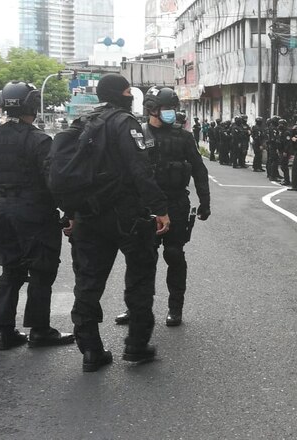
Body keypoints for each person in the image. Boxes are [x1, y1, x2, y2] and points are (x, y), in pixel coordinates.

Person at [69, 73, 169, 372]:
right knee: (139, 279)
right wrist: (161, 208)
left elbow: (67, 172)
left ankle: (90, 351)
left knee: (87, 283)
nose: (130, 95)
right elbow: (139, 169)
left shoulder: (83, 122)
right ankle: (136, 346)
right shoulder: (124, 122)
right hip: (126, 215)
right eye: (127, 90)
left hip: (87, 215)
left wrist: (70, 212)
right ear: (117, 94)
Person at [0, 81, 74, 350]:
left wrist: (0, 200)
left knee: (10, 269)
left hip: (3, 210)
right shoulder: (39, 140)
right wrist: (68, 211)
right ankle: (39, 330)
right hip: (34, 212)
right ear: (33, 105)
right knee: (41, 270)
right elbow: (53, 181)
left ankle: (3, 332)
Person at [114, 86, 210, 328]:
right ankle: (135, 307)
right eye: (167, 109)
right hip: (145, 207)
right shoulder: (137, 134)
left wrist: (205, 202)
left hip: (176, 202)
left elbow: (199, 170)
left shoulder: (183, 137)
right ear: (151, 109)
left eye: (173, 109)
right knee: (140, 260)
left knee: (174, 255)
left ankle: (175, 308)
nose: (171, 113)